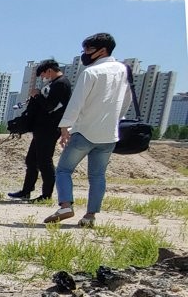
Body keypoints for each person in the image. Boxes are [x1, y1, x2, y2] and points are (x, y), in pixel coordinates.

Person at [44, 33, 132, 227]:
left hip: (85, 130)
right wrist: (116, 119)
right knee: (98, 175)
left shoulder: (91, 72)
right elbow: (126, 100)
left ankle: (66, 205)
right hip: (109, 134)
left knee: (64, 169)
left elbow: (77, 102)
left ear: (103, 50)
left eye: (88, 50)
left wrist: (65, 126)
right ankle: (90, 216)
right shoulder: (124, 70)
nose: (85, 54)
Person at [8, 59, 72, 203]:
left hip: (49, 128)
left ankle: (46, 195)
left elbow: (50, 106)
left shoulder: (61, 84)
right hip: (41, 128)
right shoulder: (55, 83)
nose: (43, 78)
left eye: (43, 75)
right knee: (31, 160)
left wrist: (37, 95)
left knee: (44, 161)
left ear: (49, 70)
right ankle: (26, 191)